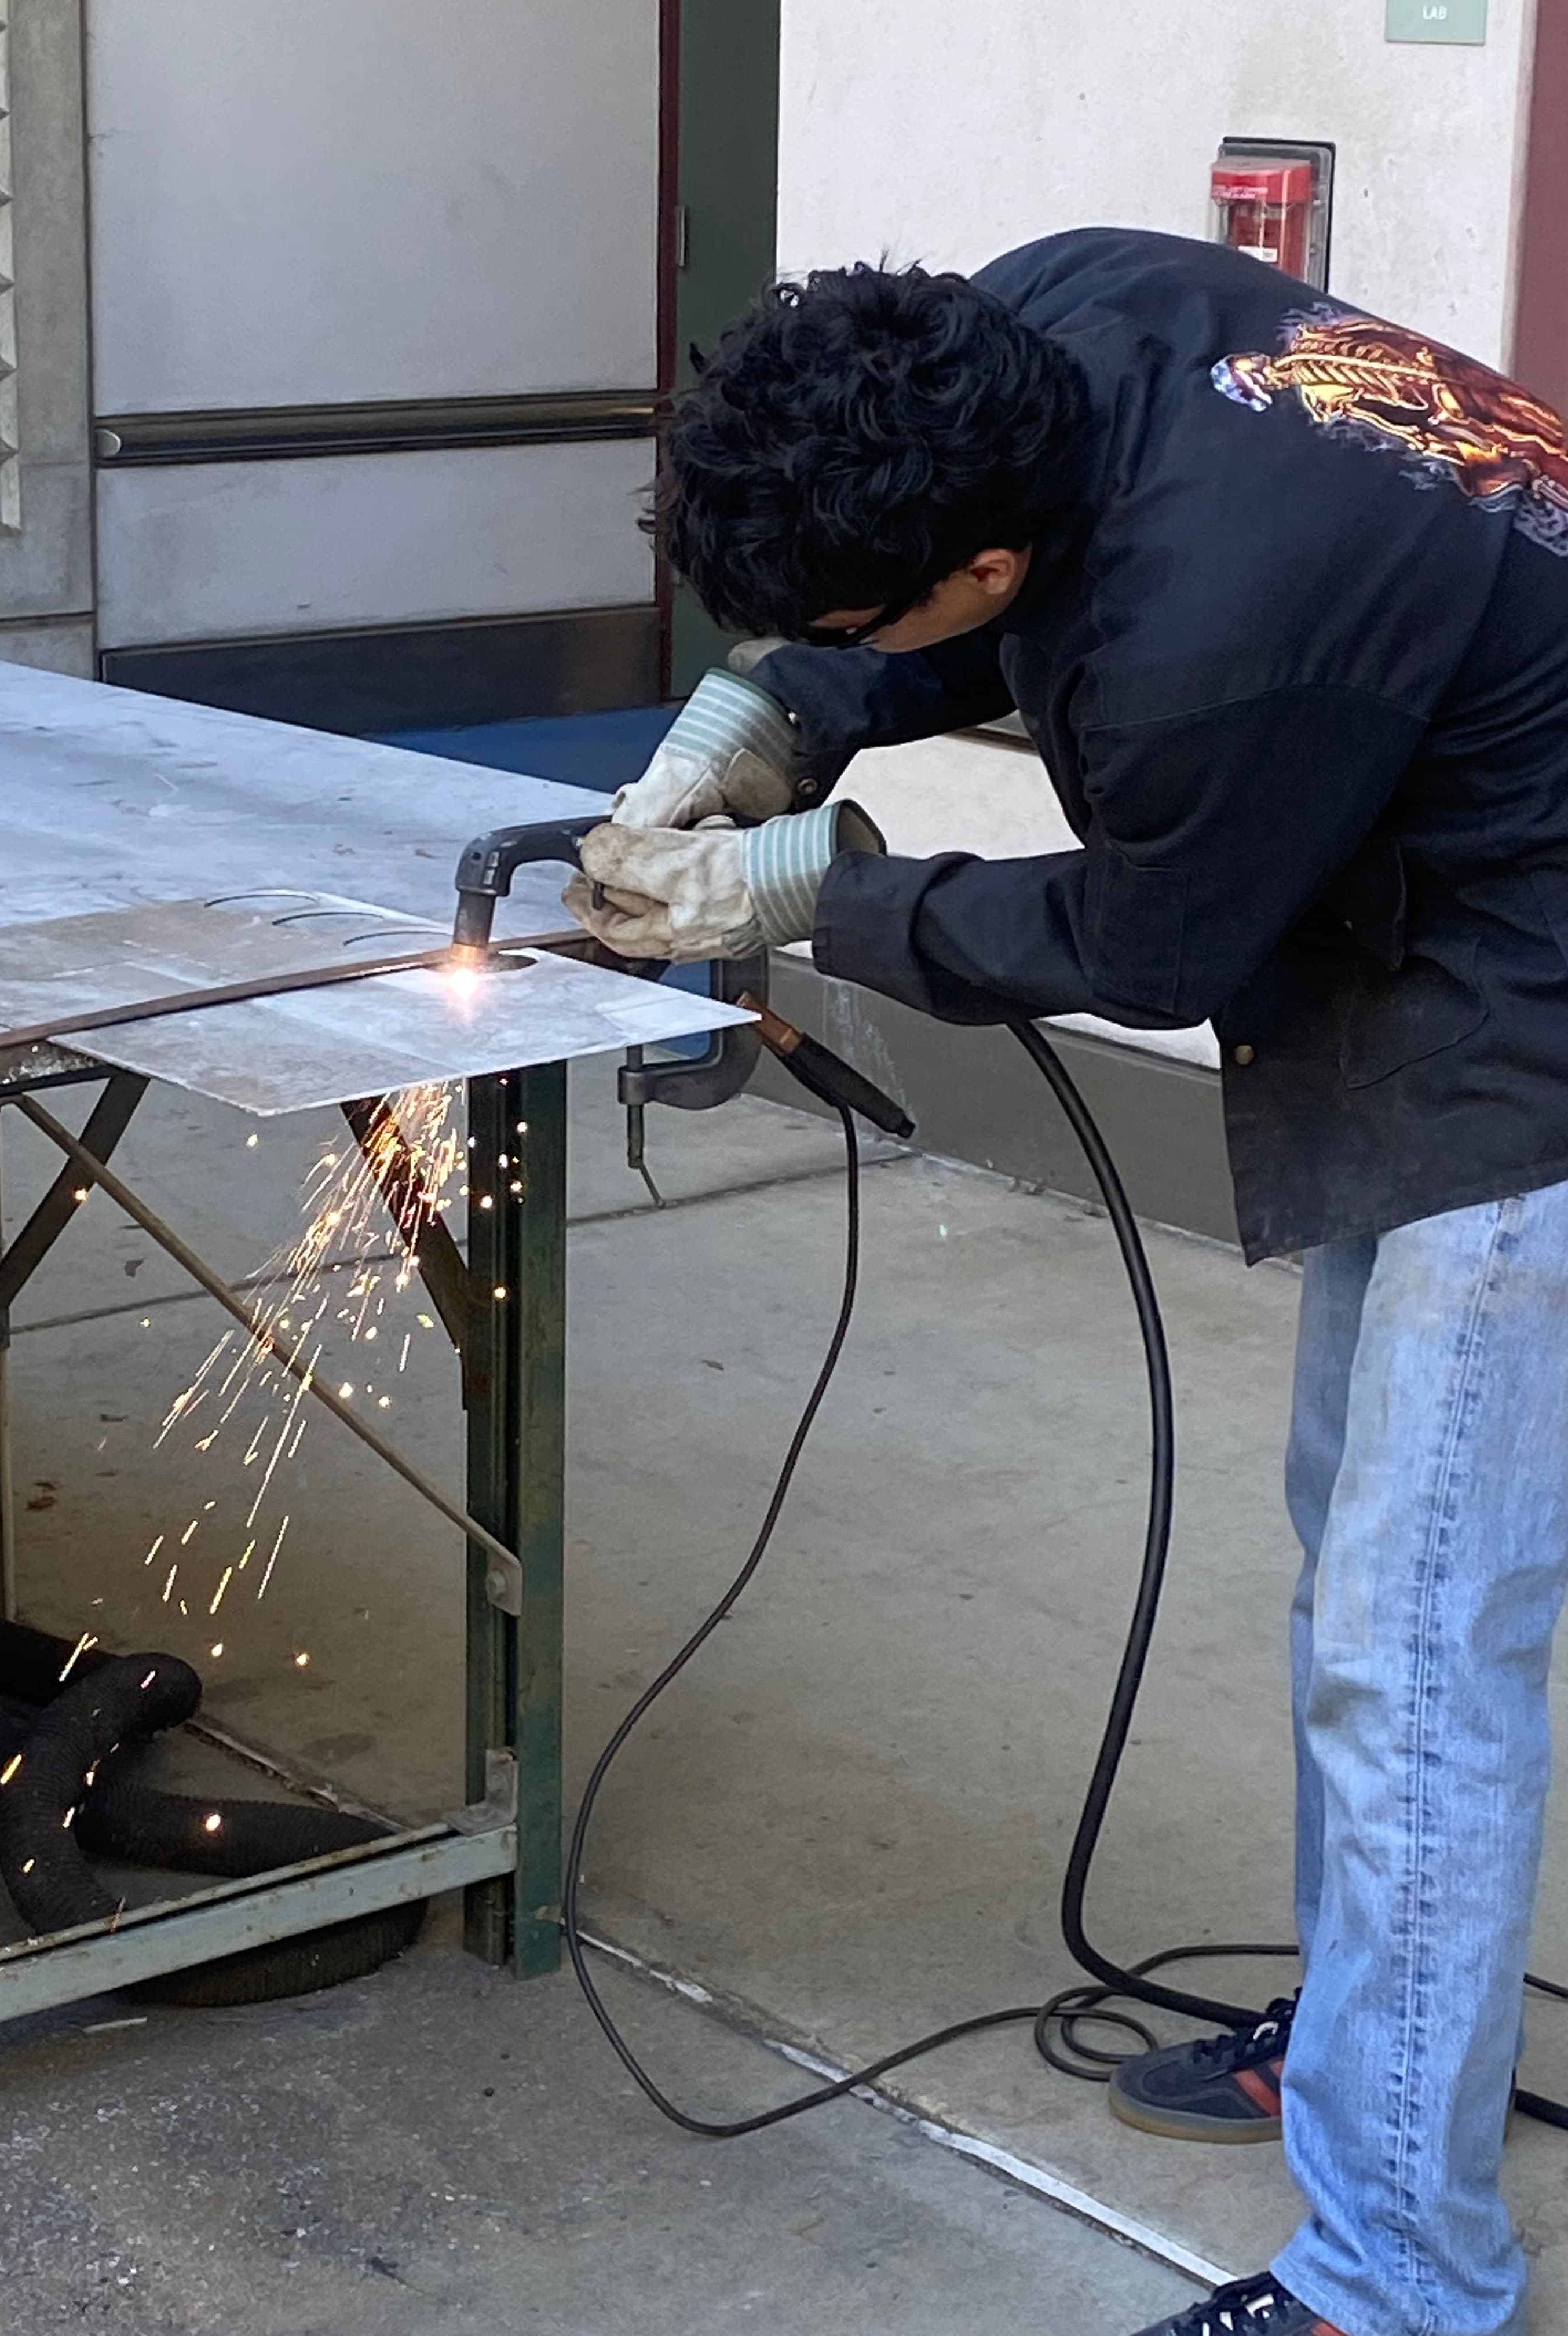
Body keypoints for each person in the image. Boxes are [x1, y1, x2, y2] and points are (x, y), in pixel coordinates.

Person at [561, 227, 1568, 2336]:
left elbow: (1153, 941)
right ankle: (1363, 2059)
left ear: (988, 574)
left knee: (1417, 1657)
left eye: (856, 619)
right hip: (1460, 871)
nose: (849, 642)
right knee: (1359, 1593)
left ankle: (1400, 2286)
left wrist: (795, 884)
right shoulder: (1050, 318)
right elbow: (914, 620)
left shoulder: (1225, 635)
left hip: (1536, 1014)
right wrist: (764, 711)